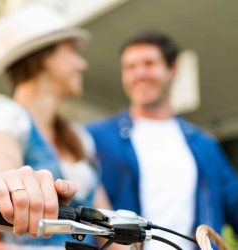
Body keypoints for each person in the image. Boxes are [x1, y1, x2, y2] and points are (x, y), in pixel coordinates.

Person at [0, 4, 125, 250]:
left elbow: (106, 225)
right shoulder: (6, 115)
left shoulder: (78, 136)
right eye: (72, 51)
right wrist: (4, 184)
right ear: (44, 56)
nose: (82, 64)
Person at [87, 30, 238, 249]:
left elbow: (234, 205)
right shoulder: (97, 138)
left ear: (172, 69)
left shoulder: (204, 144)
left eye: (149, 63)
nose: (139, 74)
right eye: (130, 67)